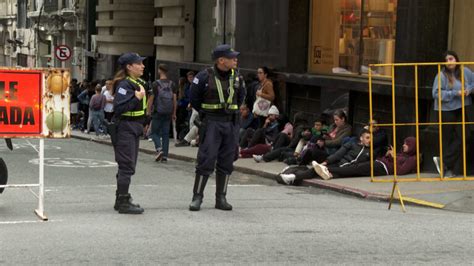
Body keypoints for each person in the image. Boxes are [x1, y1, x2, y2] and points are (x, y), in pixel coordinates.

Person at [188, 44, 245, 211]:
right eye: (232, 57)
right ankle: (197, 197)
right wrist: (207, 114)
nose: (235, 59)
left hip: (231, 123)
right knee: (206, 158)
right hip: (212, 122)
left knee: (227, 160)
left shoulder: (238, 78)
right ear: (221, 60)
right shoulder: (204, 76)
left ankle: (221, 198)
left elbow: (241, 97)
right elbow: (194, 98)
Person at [111, 52, 147, 214]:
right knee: (126, 165)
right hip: (125, 127)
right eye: (139, 63)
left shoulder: (135, 82)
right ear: (129, 67)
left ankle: (121, 198)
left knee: (128, 165)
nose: (142, 66)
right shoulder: (125, 85)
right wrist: (136, 98)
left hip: (134, 127)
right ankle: (123, 201)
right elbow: (119, 108)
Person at [432, 51, 473, 178]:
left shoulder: (465, 71)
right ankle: (448, 168)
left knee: (465, 136)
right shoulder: (441, 75)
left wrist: (469, 90)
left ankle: (444, 162)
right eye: (447, 60)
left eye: (451, 58)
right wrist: (455, 93)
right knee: (448, 138)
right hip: (446, 110)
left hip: (463, 107)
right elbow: (436, 94)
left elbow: (473, 82)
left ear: (456, 59)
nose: (449, 62)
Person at [277, 129, 371, 184]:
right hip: (338, 164)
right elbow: (338, 154)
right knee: (318, 170)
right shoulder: (352, 144)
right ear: (361, 138)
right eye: (367, 138)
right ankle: (293, 175)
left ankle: (293, 173)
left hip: (347, 170)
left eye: (371, 138)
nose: (370, 140)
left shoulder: (371, 152)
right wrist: (326, 162)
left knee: (320, 171)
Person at [312, 136, 418, 180]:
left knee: (356, 168)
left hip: (383, 168)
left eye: (407, 144)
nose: (404, 145)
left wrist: (393, 157)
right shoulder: (402, 154)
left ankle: (327, 169)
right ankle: (331, 175)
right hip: (379, 163)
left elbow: (400, 171)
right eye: (404, 143)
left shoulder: (412, 159)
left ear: (413, 146)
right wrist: (388, 155)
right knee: (356, 170)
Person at [147, 63, 177, 162]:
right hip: (168, 112)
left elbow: (151, 99)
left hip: (157, 112)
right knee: (165, 134)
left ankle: (159, 149)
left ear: (159, 70)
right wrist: (174, 113)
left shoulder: (156, 84)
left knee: (153, 132)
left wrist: (148, 111)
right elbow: (174, 100)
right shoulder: (172, 84)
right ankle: (165, 156)